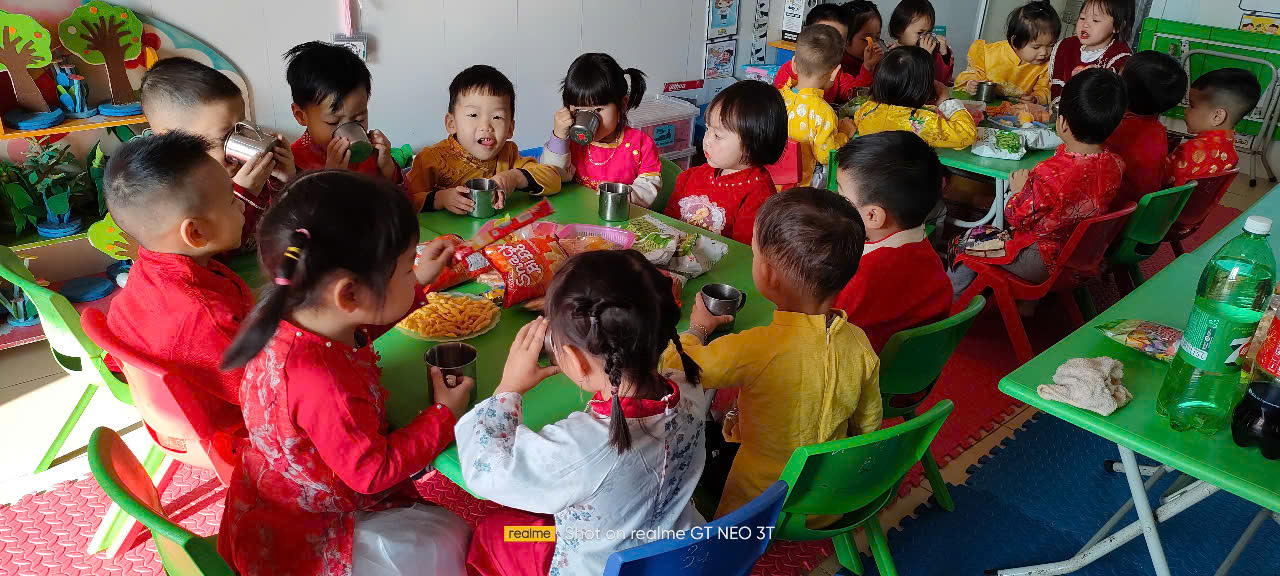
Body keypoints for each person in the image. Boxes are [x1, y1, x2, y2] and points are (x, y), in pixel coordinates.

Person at [217, 172, 473, 576]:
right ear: (349, 294)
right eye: (406, 268)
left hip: (273, 493)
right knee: (453, 538)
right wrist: (444, 414)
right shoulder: (326, 385)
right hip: (311, 528)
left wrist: (419, 280)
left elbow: (357, 326)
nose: (413, 273)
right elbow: (372, 472)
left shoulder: (289, 314)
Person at [457, 250, 708, 576]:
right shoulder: (690, 389)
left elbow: (488, 470)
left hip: (596, 560)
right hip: (675, 550)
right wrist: (698, 331)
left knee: (498, 533)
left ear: (574, 361)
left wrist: (509, 387)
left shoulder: (578, 449)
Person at [662, 187, 881, 522]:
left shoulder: (757, 348)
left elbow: (677, 367)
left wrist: (697, 330)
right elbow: (869, 425)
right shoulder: (860, 343)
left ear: (767, 274)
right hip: (829, 499)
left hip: (759, 506)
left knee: (693, 442)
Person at [103, 132, 252, 443]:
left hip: (171, 412)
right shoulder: (208, 316)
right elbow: (266, 392)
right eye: (231, 200)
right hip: (232, 429)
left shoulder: (146, 268)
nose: (241, 206)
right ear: (195, 233)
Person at [950, 69, 1127, 296]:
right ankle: (1027, 306)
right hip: (1080, 255)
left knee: (964, 241)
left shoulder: (1050, 173)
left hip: (1040, 260)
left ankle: (954, 300)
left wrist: (1018, 191)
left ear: (1062, 123)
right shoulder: (1116, 164)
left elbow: (1017, 217)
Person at [140, 56, 295, 250]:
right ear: (173, 142)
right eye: (225, 138)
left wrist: (283, 181)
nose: (239, 142)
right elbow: (215, 253)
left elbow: (281, 225)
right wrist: (242, 196)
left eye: (241, 129)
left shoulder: (238, 170)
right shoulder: (172, 196)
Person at [833, 132, 952, 352]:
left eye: (843, 198)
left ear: (873, 216)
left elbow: (822, 327)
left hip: (862, 365)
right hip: (910, 364)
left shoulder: (863, 276)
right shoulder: (924, 247)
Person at [406, 65, 561, 214]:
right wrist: (440, 199)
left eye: (497, 117)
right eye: (473, 115)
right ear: (452, 123)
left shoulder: (508, 154)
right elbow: (404, 200)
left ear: (510, 129)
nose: (486, 126)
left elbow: (554, 178)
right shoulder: (431, 159)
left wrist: (515, 177)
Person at [664, 80, 786, 245]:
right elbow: (668, 222)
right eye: (707, 129)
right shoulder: (692, 177)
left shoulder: (758, 194)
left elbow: (743, 252)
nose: (707, 140)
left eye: (717, 136)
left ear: (753, 143)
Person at [541, 53, 661, 207]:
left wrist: (623, 196)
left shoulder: (640, 144)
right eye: (579, 110)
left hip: (618, 214)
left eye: (598, 109)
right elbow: (552, 176)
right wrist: (559, 137)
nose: (590, 118)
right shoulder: (571, 142)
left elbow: (649, 187)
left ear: (622, 104)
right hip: (577, 212)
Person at [283, 41, 402, 184]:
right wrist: (331, 179)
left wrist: (389, 169)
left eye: (359, 119)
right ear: (301, 116)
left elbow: (402, 196)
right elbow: (293, 198)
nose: (347, 135)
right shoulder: (293, 165)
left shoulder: (371, 152)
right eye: (333, 122)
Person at [1103, 51, 1188, 208]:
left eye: (1119, 75)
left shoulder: (1114, 128)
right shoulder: (1159, 130)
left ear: (1124, 90)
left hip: (1114, 209)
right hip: (1142, 209)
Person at [854, 46, 978, 149]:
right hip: (910, 172)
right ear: (923, 89)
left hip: (870, 170)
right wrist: (946, 102)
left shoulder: (866, 109)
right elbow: (967, 134)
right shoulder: (921, 123)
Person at [781, 24, 856, 187]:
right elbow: (826, 155)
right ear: (835, 73)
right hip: (802, 188)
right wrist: (844, 134)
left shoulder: (777, 97)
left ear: (793, 64)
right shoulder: (823, 112)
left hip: (775, 183)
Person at [1166, 68, 1260, 186]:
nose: (1186, 111)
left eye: (1192, 105)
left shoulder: (1189, 151)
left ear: (1217, 116)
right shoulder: (1230, 151)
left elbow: (1158, 178)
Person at [955, 1, 1062, 105]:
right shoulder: (989, 54)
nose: (1044, 53)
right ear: (1015, 42)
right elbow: (972, 73)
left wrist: (1036, 98)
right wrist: (972, 84)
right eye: (1036, 47)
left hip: (1017, 112)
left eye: (1050, 45)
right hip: (982, 105)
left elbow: (1044, 90)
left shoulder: (1048, 65)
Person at [1048, 0, 1134, 105]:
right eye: (1082, 18)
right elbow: (1056, 88)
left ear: (1118, 26)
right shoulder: (1066, 46)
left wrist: (1094, 77)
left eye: (1095, 20)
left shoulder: (1120, 57)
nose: (1085, 24)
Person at [773, 4, 860, 105]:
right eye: (822, 40)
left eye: (837, 42)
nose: (828, 48)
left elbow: (856, 96)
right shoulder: (787, 74)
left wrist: (868, 68)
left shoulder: (838, 73)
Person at [888, 0, 953, 86]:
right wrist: (924, 57)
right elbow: (909, 86)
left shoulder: (932, 53)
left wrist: (944, 55)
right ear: (899, 30)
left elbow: (942, 82)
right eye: (920, 33)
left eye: (929, 32)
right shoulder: (893, 56)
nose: (925, 37)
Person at [840, 1, 885, 85]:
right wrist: (867, 68)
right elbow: (855, 92)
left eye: (877, 38)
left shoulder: (877, 61)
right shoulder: (836, 67)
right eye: (866, 39)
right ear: (845, 39)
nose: (873, 45)